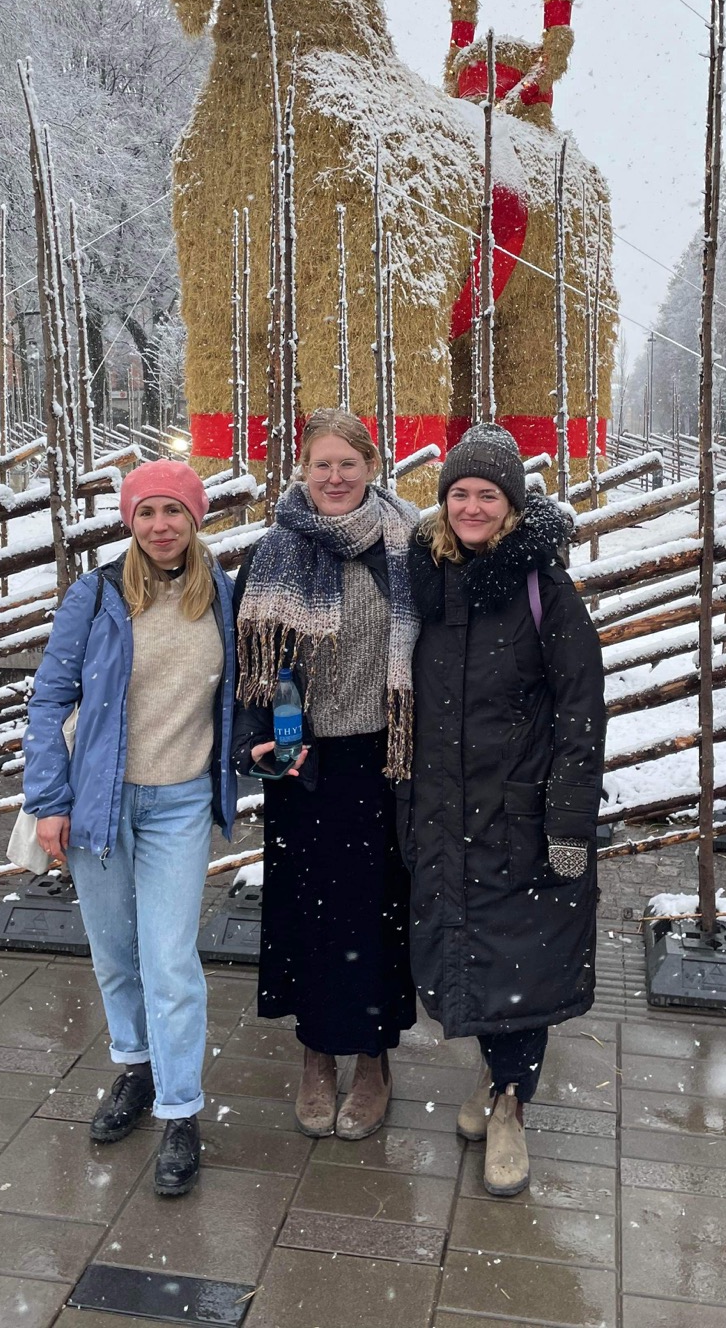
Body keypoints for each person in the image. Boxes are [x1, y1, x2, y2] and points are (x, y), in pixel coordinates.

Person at [23, 459, 237, 1198]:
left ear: (196, 518)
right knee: (115, 952)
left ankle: (181, 1110)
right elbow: (49, 700)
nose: (161, 526)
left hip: (178, 803)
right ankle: (137, 1071)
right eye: (147, 513)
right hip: (99, 802)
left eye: (174, 512)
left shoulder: (224, 599)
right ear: (129, 521)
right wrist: (49, 799)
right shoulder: (98, 595)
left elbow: (248, 692)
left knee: (170, 959)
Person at [402, 423, 605, 1196]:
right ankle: (491, 1083)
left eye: (488, 494)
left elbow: (582, 712)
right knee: (473, 949)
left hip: (519, 812)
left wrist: (569, 826)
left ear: (513, 505)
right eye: (460, 493)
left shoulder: (542, 588)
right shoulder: (428, 578)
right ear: (444, 500)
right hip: (443, 809)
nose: (473, 506)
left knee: (523, 960)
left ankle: (513, 1106)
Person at [233, 408, 420, 1140]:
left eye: (348, 463)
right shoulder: (273, 552)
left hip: (387, 764)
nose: (334, 477)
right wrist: (259, 739)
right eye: (321, 464)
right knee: (307, 916)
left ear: (372, 466)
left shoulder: (409, 546)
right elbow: (247, 666)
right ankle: (316, 1053)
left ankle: (373, 1060)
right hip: (304, 767)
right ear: (302, 471)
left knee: (379, 917)